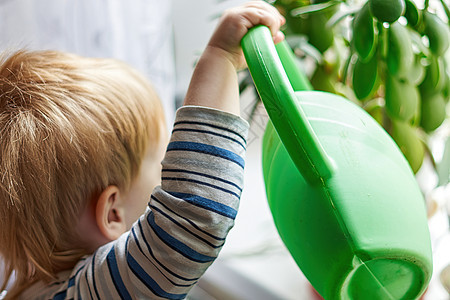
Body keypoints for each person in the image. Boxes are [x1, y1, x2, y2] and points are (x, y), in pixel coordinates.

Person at [0, 1, 285, 299]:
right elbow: (192, 218)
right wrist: (220, 57)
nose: (172, 176)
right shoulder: (97, 291)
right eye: (163, 164)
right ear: (112, 213)